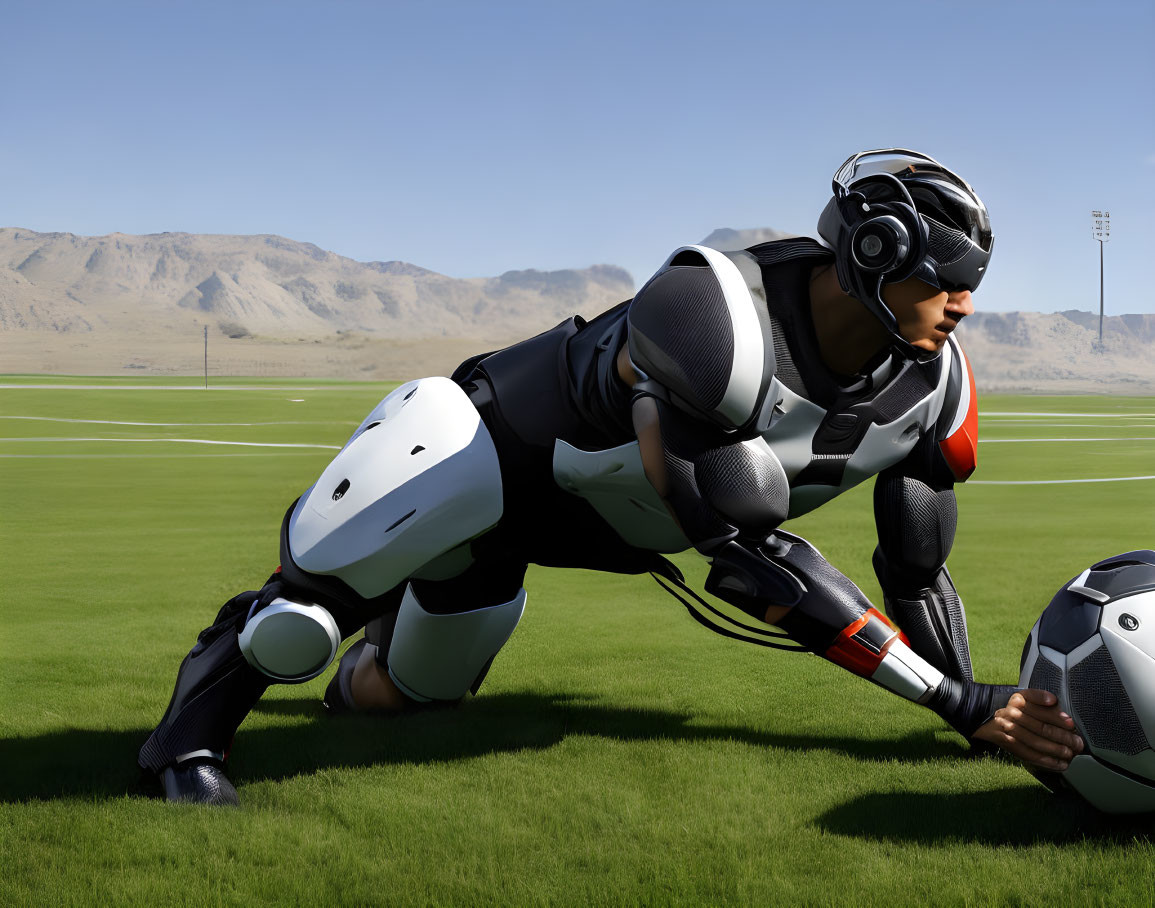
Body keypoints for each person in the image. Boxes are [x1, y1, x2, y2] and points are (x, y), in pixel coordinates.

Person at [139, 149, 1084, 805]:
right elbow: (748, 553)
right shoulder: (711, 318)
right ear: (872, 254)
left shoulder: (935, 388)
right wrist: (956, 701)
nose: (963, 304)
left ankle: (390, 630)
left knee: (402, 695)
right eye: (944, 278)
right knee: (303, 619)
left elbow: (914, 568)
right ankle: (186, 739)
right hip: (490, 459)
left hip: (590, 529)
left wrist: (975, 710)